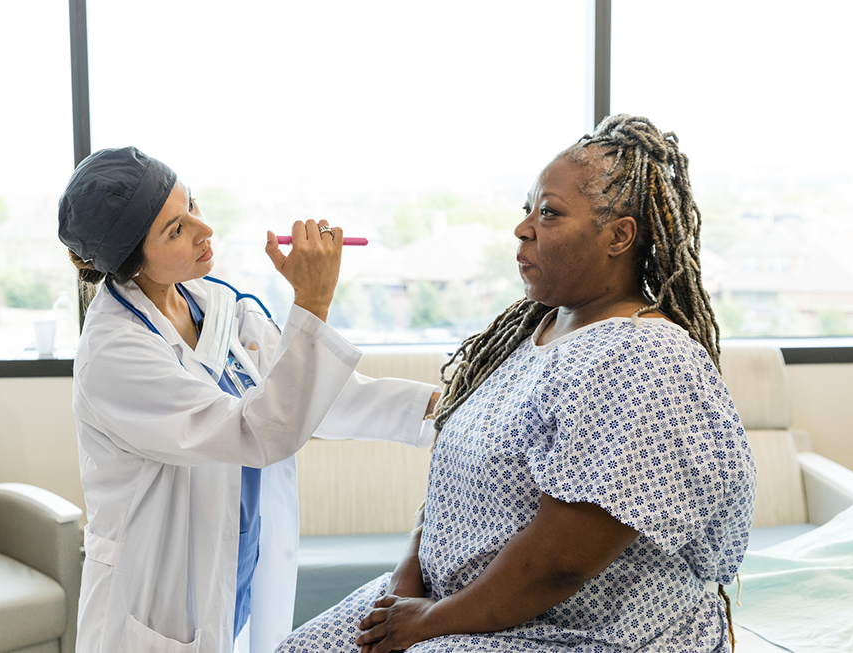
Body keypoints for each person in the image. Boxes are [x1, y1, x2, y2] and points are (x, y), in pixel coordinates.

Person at [277, 115, 757, 653]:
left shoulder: (645, 360)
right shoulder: (537, 330)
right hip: (455, 606)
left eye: (549, 213)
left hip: (578, 634)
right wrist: (405, 583)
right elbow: (458, 487)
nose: (523, 228)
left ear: (619, 235)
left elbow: (560, 564)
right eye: (527, 210)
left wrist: (428, 622)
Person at [58, 147, 440, 653]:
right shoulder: (114, 354)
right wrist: (313, 302)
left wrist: (445, 408)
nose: (203, 229)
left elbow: (315, 396)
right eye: (176, 229)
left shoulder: (219, 308)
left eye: (191, 205)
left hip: (238, 575)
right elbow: (259, 432)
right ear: (131, 260)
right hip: (156, 606)